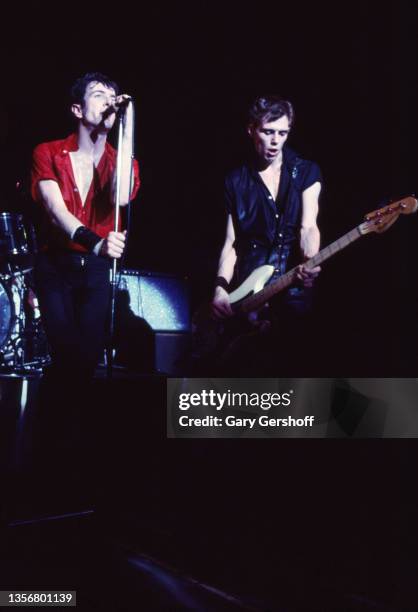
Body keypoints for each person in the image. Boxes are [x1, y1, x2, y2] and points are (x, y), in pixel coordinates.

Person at [31, 72, 140, 383]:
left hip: (95, 270)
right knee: (65, 352)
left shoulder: (122, 159)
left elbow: (120, 196)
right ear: (77, 109)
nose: (108, 101)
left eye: (112, 96)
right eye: (98, 94)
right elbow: (56, 211)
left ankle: (77, 424)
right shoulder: (47, 152)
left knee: (87, 360)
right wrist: (97, 242)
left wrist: (123, 128)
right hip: (55, 266)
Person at [210, 95, 322, 374]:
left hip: (292, 289)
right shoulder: (235, 181)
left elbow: (309, 226)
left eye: (282, 133)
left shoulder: (306, 171)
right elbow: (230, 243)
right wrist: (221, 288)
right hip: (249, 292)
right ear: (251, 130)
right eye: (268, 132)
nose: (275, 141)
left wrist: (311, 260)